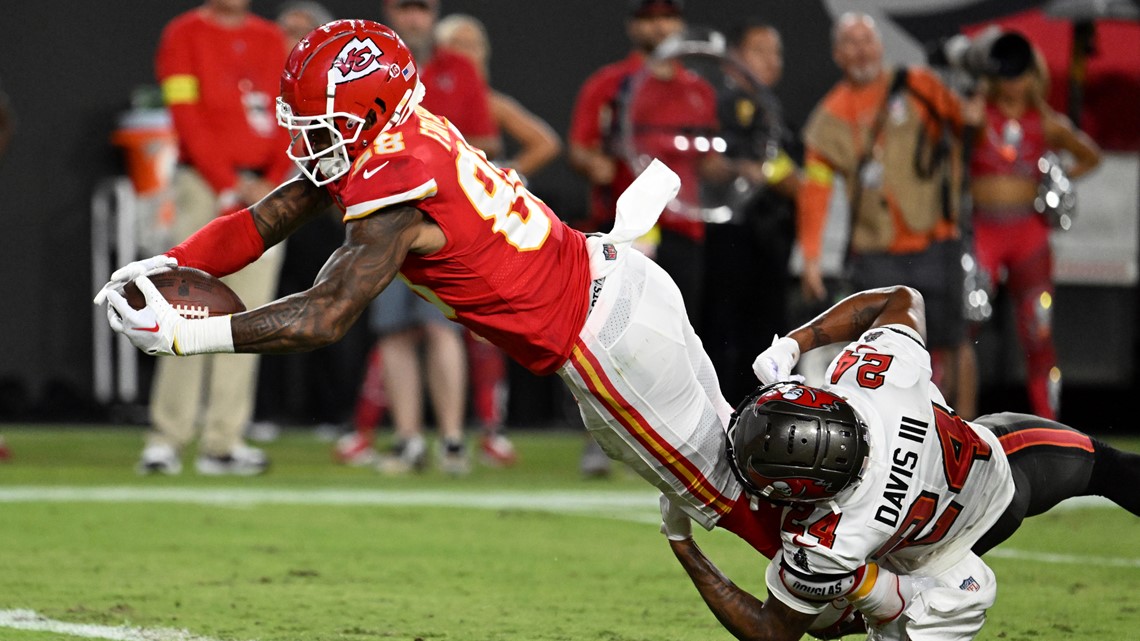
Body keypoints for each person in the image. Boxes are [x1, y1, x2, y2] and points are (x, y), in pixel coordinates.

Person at [97, 17, 792, 574]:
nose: (307, 139)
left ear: (365, 114)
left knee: (728, 497)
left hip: (604, 339)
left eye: (321, 123)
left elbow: (324, 314)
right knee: (742, 456)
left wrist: (189, 334)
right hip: (620, 277)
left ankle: (875, 596)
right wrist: (166, 262)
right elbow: (264, 218)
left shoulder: (396, 184)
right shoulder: (395, 130)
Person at [659, 285, 1140, 640]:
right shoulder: (881, 379)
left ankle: (861, 602)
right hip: (1002, 466)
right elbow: (902, 299)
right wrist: (794, 345)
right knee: (1110, 468)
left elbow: (771, 633)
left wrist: (685, 546)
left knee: (829, 603)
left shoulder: (833, 538)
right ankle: (858, 599)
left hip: (936, 571)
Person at [339, 0, 504, 476]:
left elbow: (488, 140)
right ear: (392, 12)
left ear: (433, 13)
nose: (414, 18)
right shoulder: (368, 68)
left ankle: (451, 439)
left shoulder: (459, 68)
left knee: (441, 327)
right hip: (383, 211)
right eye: (406, 9)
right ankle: (410, 439)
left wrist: (435, 149)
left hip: (442, 217)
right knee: (393, 332)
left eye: (422, 9)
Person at [133, 0, 293, 475]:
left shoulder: (270, 39)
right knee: (184, 307)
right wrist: (225, 182)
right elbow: (185, 113)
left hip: (265, 190)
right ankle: (167, 436)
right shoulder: (184, 34)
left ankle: (224, 439)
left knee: (250, 316)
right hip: (202, 188)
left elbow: (290, 113)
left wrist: (275, 180)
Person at [567, 0, 718, 476]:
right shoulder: (609, 84)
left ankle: (675, 449)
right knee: (605, 340)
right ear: (635, 26)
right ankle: (602, 442)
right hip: (625, 233)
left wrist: (742, 169)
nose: (660, 25)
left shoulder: (699, 90)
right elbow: (581, 148)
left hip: (682, 231)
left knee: (677, 341)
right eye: (651, 17)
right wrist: (602, 168)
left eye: (668, 16)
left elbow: (711, 164)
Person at [797, 12, 975, 413]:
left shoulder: (918, 86)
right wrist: (810, 257)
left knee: (951, 339)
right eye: (851, 43)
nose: (861, 51)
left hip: (935, 238)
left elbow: (967, 123)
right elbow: (815, 193)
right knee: (883, 348)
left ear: (880, 47)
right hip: (876, 252)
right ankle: (896, 427)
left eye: (867, 41)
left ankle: (964, 429)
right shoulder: (826, 121)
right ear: (837, 54)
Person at [435, 11, 564, 467]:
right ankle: (375, 427)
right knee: (411, 327)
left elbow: (546, 141)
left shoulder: (490, 103)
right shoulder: (428, 104)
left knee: (488, 329)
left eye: (474, 45)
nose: (468, 54)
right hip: (435, 226)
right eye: (458, 45)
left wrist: (510, 176)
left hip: (485, 232)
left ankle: (491, 429)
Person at [967, 45, 1101, 420]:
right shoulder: (979, 116)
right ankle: (950, 420)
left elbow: (1091, 155)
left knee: (1038, 335)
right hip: (983, 233)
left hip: (1028, 235)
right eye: (1007, 75)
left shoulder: (1045, 122)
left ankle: (1050, 426)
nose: (1013, 83)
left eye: (1021, 74)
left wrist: (1057, 180)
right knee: (961, 328)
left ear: (1034, 78)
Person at [701, 19, 800, 404]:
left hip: (772, 237)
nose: (771, 60)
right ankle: (720, 413)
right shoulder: (721, 105)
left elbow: (789, 174)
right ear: (735, 59)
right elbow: (711, 164)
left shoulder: (774, 111)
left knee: (768, 333)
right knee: (723, 334)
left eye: (777, 52)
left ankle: (762, 412)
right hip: (729, 235)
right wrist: (755, 171)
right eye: (760, 50)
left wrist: (774, 174)